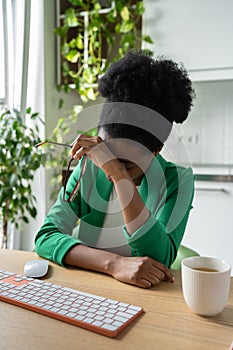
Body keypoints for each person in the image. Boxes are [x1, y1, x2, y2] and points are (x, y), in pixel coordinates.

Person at [35, 50, 195, 289]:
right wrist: (114, 264)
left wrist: (119, 175)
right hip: (90, 288)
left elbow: (159, 259)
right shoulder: (91, 165)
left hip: (147, 298)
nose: (108, 167)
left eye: (126, 164)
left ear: (156, 151)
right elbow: (46, 237)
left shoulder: (178, 182)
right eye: (106, 154)